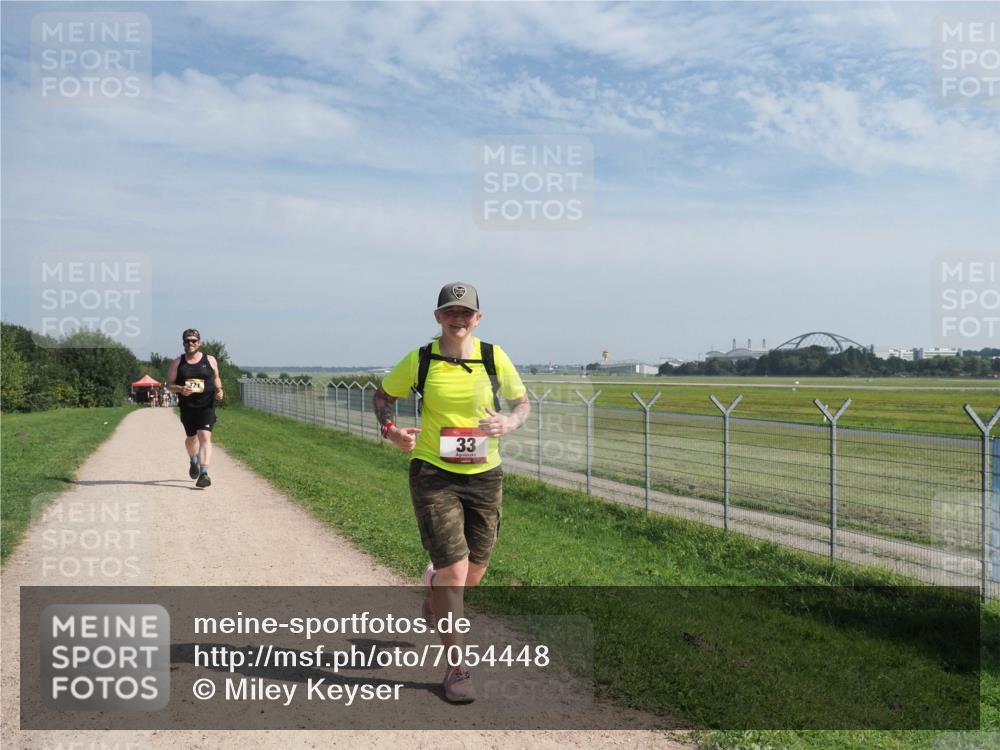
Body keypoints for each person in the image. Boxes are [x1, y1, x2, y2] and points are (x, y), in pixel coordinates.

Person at [372, 282, 530, 703]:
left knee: (474, 572)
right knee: (456, 572)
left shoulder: (493, 357)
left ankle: (434, 586)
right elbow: (383, 397)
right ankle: (457, 668)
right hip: (433, 472)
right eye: (450, 312)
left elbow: (522, 403)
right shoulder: (421, 359)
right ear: (438, 316)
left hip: (485, 475)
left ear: (477, 318)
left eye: (465, 312)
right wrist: (391, 431)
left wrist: (509, 423)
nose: (457, 319)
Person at [166, 328, 224, 488]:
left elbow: (216, 377)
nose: (190, 343)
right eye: (187, 341)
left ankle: (204, 474)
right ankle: (193, 460)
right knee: (191, 439)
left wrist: (219, 390)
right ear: (183, 343)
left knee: (205, 436)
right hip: (188, 407)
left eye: (193, 341)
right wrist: (180, 389)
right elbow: (169, 385)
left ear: (199, 343)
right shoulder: (178, 363)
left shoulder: (210, 360)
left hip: (207, 405)